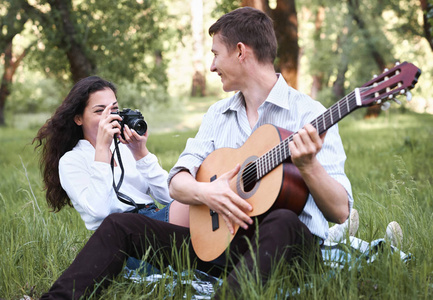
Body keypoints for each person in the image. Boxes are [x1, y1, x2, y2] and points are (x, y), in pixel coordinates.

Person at [37, 7, 353, 299]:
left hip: (285, 246)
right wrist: (206, 192)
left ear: (241, 52)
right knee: (119, 226)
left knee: (282, 219)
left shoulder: (309, 115)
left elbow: (339, 211)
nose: (212, 65)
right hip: (223, 245)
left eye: (216, 54)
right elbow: (176, 184)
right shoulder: (218, 114)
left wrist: (309, 166)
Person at [33, 76, 189, 230]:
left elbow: (171, 196)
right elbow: (99, 211)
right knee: (199, 204)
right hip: (121, 230)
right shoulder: (72, 160)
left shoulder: (125, 148)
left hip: (154, 217)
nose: (110, 117)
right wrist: (101, 149)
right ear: (78, 118)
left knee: (194, 197)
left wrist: (141, 154)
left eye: (114, 109)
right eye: (100, 111)